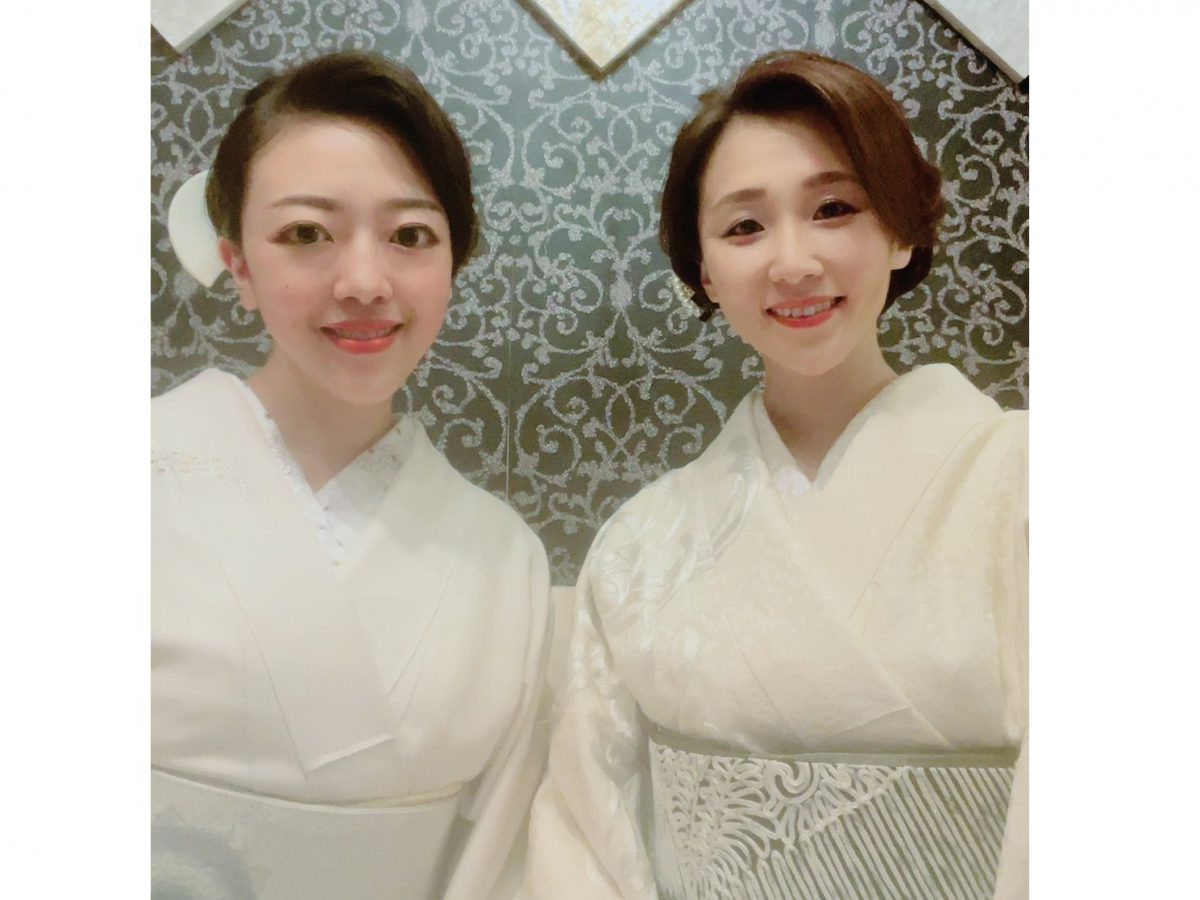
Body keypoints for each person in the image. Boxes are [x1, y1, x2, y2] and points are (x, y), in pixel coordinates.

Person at [526, 50, 1027, 899]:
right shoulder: (644, 544)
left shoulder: (1028, 484)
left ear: (900, 230)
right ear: (703, 271)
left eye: (834, 208)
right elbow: (584, 830)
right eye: (744, 227)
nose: (792, 262)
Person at [151, 52, 551, 900]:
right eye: (306, 234)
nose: (365, 282)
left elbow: (500, 858)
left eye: (410, 236)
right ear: (239, 265)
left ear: (452, 264)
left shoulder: (505, 559)